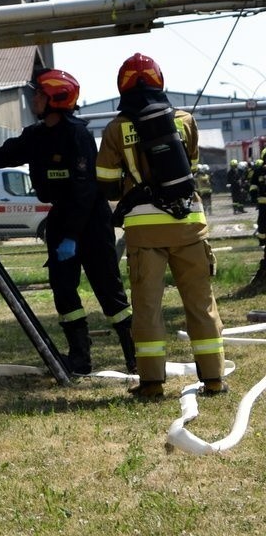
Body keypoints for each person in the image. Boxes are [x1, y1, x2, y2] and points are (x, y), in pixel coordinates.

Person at [0, 67, 135, 377]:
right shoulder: (36, 137)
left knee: (110, 293)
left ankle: (135, 357)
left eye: (38, 94)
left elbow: (84, 190)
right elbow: (1, 154)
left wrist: (71, 236)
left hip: (90, 222)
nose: (33, 100)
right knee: (64, 291)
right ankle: (79, 359)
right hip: (61, 218)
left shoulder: (77, 135)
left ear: (54, 98)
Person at [96, 53, 226, 401]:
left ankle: (152, 383)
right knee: (201, 303)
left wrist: (130, 179)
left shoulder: (115, 128)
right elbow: (191, 169)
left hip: (144, 231)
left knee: (148, 307)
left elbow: (106, 183)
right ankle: (213, 379)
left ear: (122, 85)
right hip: (189, 226)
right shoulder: (185, 120)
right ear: (159, 81)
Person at [249, 157, 266, 254]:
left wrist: (253, 196)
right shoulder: (259, 171)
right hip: (263, 202)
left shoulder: (258, 171)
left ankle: (262, 242)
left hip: (263, 202)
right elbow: (253, 186)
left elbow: (253, 186)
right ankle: (262, 241)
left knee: (262, 222)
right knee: (262, 223)